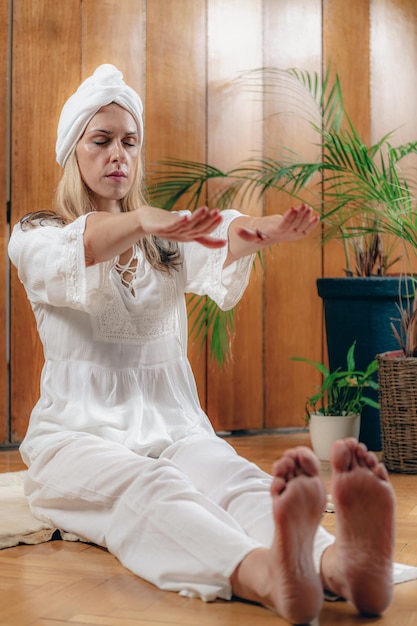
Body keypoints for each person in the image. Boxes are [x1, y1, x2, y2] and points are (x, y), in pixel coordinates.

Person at [8, 64, 395, 625]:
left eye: (130, 142)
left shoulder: (163, 241)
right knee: (151, 485)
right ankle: (265, 576)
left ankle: (338, 564)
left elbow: (221, 236)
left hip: (174, 427)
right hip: (75, 439)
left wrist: (265, 228)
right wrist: (143, 218)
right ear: (74, 150)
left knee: (228, 474)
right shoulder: (38, 235)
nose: (119, 153)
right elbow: (85, 244)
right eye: (102, 140)